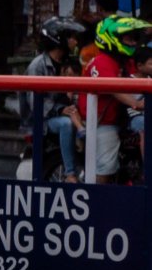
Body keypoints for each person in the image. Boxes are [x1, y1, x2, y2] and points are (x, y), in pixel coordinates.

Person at [82, 16, 148, 181]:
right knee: (107, 165)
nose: (133, 43)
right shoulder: (102, 61)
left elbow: (138, 78)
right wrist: (136, 103)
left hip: (121, 118)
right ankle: (98, 199)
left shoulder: (126, 61)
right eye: (128, 38)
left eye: (134, 38)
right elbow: (112, 88)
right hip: (101, 122)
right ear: (112, 38)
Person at [26, 20, 86, 181]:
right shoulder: (38, 66)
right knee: (66, 124)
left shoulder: (67, 62)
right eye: (71, 37)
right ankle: (70, 173)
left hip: (64, 111)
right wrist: (59, 110)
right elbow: (34, 103)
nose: (75, 41)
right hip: (42, 120)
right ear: (59, 39)